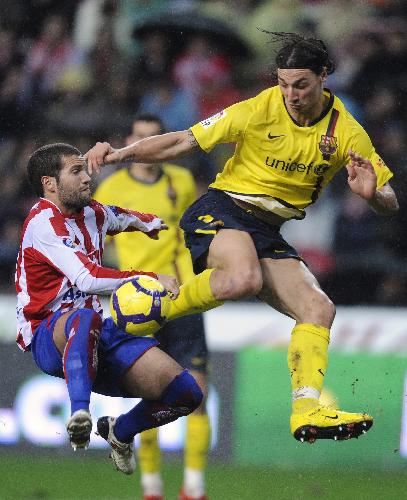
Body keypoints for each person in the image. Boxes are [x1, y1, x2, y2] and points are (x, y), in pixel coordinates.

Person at [85, 32, 399, 444]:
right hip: (222, 209)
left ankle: (307, 409)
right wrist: (120, 155)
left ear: (324, 77)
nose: (290, 94)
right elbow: (184, 139)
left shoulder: (347, 133)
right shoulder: (258, 109)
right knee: (242, 278)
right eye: (283, 83)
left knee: (319, 309)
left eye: (301, 84)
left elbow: (390, 199)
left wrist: (373, 194)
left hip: (265, 231)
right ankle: (148, 307)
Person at [16, 143, 203, 475]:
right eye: (76, 171)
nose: (87, 178)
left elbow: (122, 217)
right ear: (50, 184)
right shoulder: (43, 223)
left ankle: (121, 432)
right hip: (49, 335)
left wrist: (151, 223)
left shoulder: (93, 212)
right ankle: (79, 413)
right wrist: (150, 276)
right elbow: (87, 279)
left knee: (186, 394)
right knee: (84, 317)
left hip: (96, 333)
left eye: (85, 169)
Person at [94, 114, 210, 500]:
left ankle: (194, 488)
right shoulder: (112, 188)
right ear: (129, 142)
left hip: (181, 299)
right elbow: (94, 240)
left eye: (151, 139)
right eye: (138, 138)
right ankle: (151, 488)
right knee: (150, 395)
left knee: (197, 391)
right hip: (135, 304)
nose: (144, 148)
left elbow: (196, 232)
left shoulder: (181, 181)